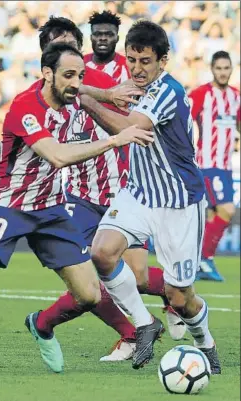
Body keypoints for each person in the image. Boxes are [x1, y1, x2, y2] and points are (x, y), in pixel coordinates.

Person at [0, 16, 185, 365]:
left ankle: (44, 327)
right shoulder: (26, 103)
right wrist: (115, 139)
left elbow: (103, 102)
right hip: (10, 205)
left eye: (81, 74)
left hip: (55, 208)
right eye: (70, 75)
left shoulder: (76, 96)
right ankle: (140, 327)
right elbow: (57, 154)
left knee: (91, 293)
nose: (79, 82)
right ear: (47, 69)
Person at [78, 20, 221, 374]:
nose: (137, 69)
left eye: (145, 61)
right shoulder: (132, 85)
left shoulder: (167, 91)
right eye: (132, 60)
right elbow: (109, 94)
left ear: (163, 61)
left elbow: (128, 129)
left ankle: (205, 344)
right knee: (102, 252)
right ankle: (145, 325)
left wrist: (85, 100)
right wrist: (96, 92)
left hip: (178, 202)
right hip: (139, 192)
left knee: (179, 296)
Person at [189, 51, 240, 281]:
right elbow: (183, 119)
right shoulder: (201, 94)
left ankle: (200, 263)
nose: (222, 72)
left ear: (231, 69)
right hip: (207, 164)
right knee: (227, 210)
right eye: (218, 68)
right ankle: (204, 258)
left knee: (211, 217)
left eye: (226, 68)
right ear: (212, 69)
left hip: (226, 166)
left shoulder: (236, 97)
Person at [84, 10, 130, 83]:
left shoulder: (129, 66)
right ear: (91, 38)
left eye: (109, 34)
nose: (103, 38)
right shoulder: (80, 64)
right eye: (97, 34)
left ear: (117, 39)